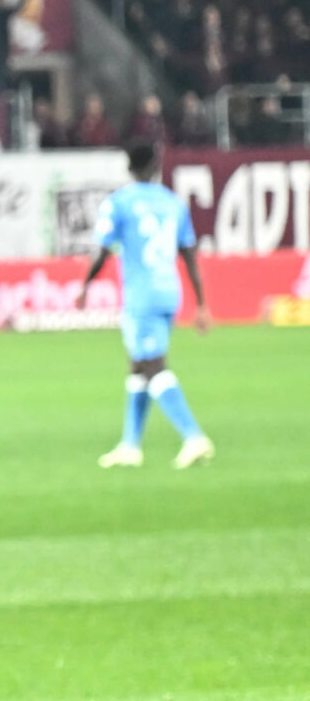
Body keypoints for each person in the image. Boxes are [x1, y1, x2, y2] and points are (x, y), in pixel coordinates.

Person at [79, 140, 213, 469]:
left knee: (153, 366)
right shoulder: (173, 203)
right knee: (138, 367)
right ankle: (130, 445)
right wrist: (201, 303)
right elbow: (189, 256)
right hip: (169, 292)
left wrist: (85, 285)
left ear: (129, 167)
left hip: (142, 295)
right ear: (155, 166)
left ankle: (193, 437)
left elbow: (103, 250)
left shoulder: (119, 203)